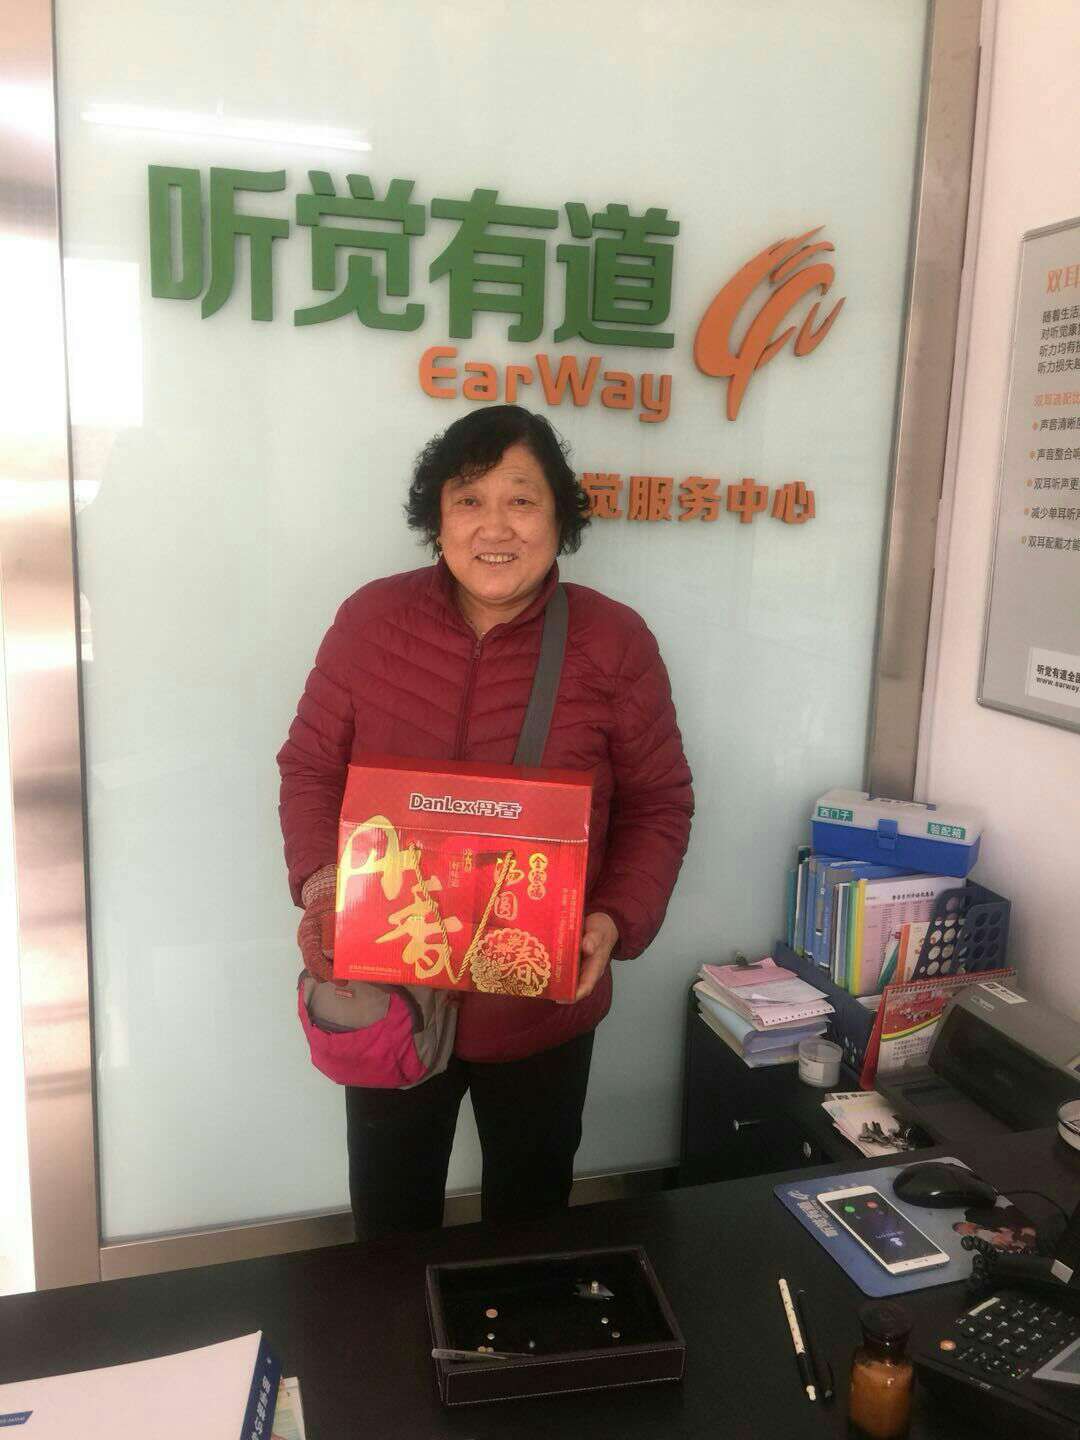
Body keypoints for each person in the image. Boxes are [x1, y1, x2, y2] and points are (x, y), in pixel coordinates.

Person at [277, 404, 693, 1240]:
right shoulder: (370, 622)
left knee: (530, 1225)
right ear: (437, 519)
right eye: (468, 499)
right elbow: (311, 768)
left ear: (559, 518)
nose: (494, 527)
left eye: (521, 500)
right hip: (391, 992)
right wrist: (324, 888)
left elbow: (659, 801)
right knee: (391, 1231)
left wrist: (615, 919)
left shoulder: (613, 641)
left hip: (542, 1005)